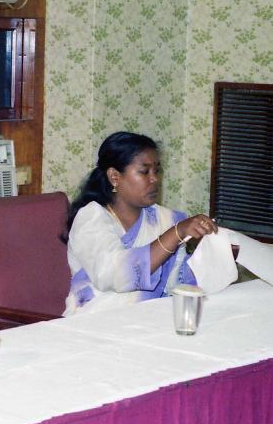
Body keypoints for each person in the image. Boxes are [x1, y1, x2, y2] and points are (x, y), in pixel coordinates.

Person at [63, 131, 218, 315]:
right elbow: (114, 274)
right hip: (95, 321)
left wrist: (209, 253)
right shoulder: (90, 217)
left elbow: (179, 283)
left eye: (157, 171)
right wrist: (176, 234)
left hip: (150, 318)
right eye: (144, 172)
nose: (155, 179)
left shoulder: (165, 219)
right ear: (114, 176)